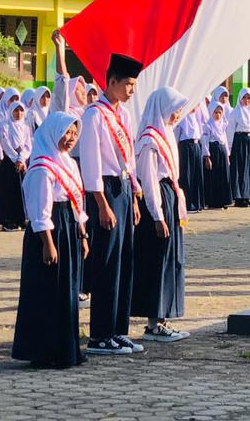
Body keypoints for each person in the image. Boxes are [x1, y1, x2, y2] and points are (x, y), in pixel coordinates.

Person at [11, 110, 89, 369]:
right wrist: (48, 242)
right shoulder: (42, 166)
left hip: (68, 226)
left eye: (75, 133)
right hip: (49, 232)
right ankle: (44, 350)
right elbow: (39, 209)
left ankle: (66, 348)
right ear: (53, 132)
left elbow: (78, 202)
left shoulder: (69, 162)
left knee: (67, 290)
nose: (71, 138)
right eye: (67, 132)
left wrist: (83, 233)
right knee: (47, 290)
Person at [79, 53, 144, 356]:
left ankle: (119, 330)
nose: (132, 90)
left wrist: (132, 196)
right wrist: (102, 204)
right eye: (128, 84)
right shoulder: (94, 115)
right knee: (105, 264)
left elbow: (128, 160)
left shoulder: (124, 116)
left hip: (123, 190)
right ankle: (99, 335)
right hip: (103, 191)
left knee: (124, 263)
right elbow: (91, 163)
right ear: (113, 81)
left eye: (134, 85)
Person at [131, 87, 192, 342]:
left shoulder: (166, 133)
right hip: (158, 201)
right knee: (158, 259)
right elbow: (148, 180)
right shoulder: (149, 140)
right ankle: (154, 323)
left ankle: (164, 317)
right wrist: (157, 215)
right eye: (174, 108)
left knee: (171, 259)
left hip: (170, 194)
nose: (177, 114)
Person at [0, 93, 31, 231]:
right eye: (16, 110)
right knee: (10, 191)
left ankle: (21, 218)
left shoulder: (26, 127)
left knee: (22, 190)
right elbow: (5, 142)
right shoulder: (6, 125)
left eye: (21, 110)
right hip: (10, 163)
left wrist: (22, 159)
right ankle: (8, 220)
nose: (19, 113)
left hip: (21, 163)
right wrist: (15, 158)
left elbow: (28, 144)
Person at [174, 98, 207, 213]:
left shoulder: (197, 118)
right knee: (187, 175)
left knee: (197, 175)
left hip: (196, 146)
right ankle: (188, 204)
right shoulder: (182, 120)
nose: (194, 108)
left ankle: (197, 203)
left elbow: (202, 134)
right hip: (185, 147)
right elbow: (176, 136)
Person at [227, 87, 250, 207]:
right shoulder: (236, 112)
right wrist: (229, 148)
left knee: (248, 169)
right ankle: (239, 197)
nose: (246, 100)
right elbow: (230, 130)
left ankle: (246, 195)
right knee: (240, 168)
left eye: (249, 98)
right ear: (240, 98)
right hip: (239, 141)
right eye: (244, 98)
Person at [202, 90, 233, 209]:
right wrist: (207, 156)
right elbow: (205, 141)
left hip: (222, 151)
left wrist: (228, 155)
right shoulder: (208, 125)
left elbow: (224, 139)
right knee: (213, 177)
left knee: (223, 176)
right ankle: (213, 201)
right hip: (213, 151)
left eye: (220, 112)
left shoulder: (223, 125)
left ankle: (222, 200)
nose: (218, 115)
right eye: (215, 112)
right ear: (211, 112)